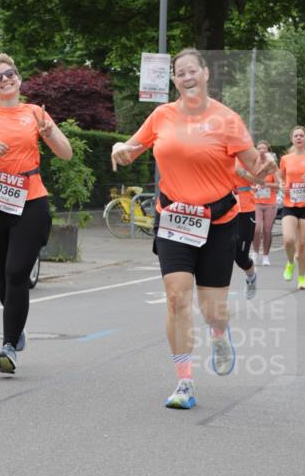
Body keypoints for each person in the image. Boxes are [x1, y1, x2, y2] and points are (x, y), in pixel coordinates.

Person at [111, 48, 276, 410]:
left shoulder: (227, 120)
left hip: (217, 222)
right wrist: (120, 148)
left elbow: (256, 168)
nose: (186, 77)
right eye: (179, 73)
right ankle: (184, 382)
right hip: (173, 218)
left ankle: (219, 333)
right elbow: (133, 148)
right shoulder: (161, 115)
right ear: (174, 80)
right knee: (176, 297)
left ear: (205, 75)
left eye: (192, 71)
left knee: (212, 308)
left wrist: (268, 163)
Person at [0, 54, 72, 374]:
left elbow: (66, 153)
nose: (6, 79)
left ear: (19, 79)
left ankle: (8, 346)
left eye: (11, 74)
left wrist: (48, 131)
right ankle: (16, 327)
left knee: (18, 270)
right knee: (6, 275)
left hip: (31, 200)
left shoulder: (35, 112)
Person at [278, 126, 305, 291]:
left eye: (301, 135)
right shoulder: (285, 159)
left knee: (303, 244)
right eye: (295, 136)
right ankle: (290, 262)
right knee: (288, 240)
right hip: (290, 205)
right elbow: (281, 178)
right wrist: (282, 186)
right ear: (292, 139)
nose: (298, 138)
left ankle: (302, 278)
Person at [251, 141, 278, 265]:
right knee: (256, 229)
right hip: (255, 202)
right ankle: (255, 253)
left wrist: (265, 184)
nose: (261, 151)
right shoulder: (252, 166)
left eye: (264, 149)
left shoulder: (273, 168)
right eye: (259, 149)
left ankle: (266, 255)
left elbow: (278, 185)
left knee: (267, 230)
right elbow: (247, 183)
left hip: (270, 203)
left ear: (268, 151)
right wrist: (253, 187)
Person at [232, 161, 257, 298]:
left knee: (241, 258)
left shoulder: (247, 157)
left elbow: (261, 180)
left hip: (245, 210)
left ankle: (251, 278)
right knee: (219, 254)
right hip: (222, 209)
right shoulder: (216, 152)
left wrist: (242, 172)